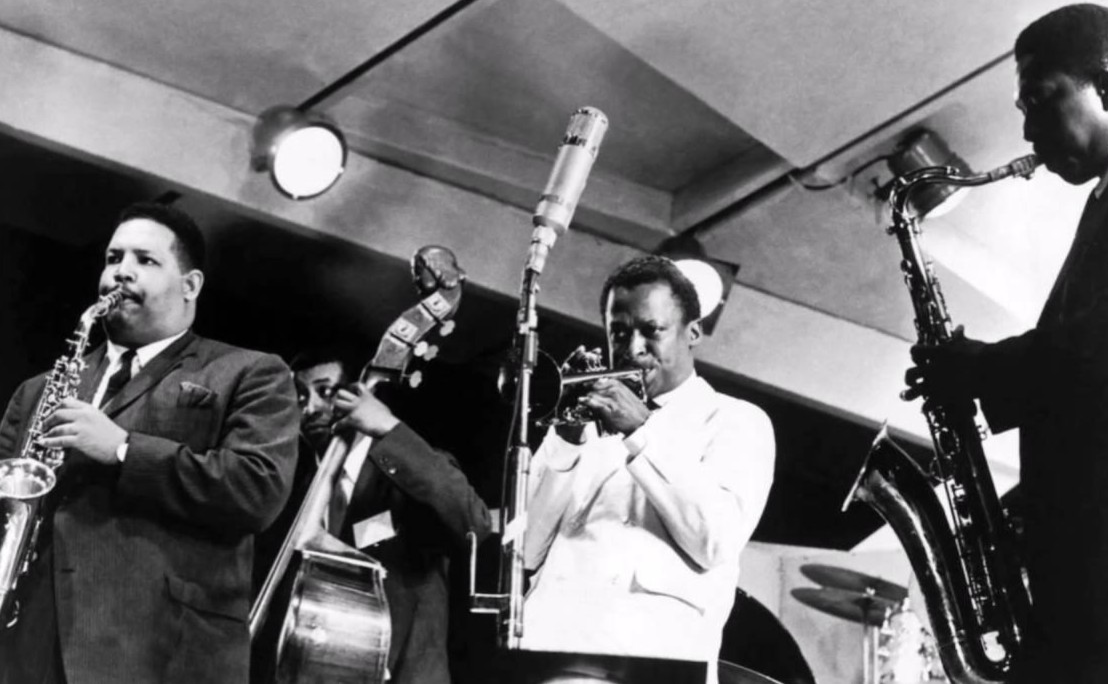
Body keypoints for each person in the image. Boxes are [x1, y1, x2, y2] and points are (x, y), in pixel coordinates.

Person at [903, 3, 1108, 683]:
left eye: (1040, 99)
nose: (1027, 129)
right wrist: (1032, 502)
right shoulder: (1106, 201)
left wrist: (979, 368)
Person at [0, 202, 300, 684]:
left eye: (146, 260)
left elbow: (256, 490)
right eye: (113, 258)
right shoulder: (36, 391)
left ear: (191, 285)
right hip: (26, 644)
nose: (121, 272)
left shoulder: (251, 372)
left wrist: (123, 449)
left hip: (161, 653)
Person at [520, 256, 776, 684]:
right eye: (619, 333)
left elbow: (715, 540)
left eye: (652, 330)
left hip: (650, 661)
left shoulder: (737, 420)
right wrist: (565, 437)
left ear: (692, 332)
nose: (633, 348)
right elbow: (525, 551)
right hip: (547, 654)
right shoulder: (581, 424)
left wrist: (641, 430)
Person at [254, 347, 492, 684]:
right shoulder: (295, 495)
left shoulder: (407, 472)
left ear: (361, 395)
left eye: (326, 391)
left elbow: (474, 523)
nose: (310, 408)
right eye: (300, 396)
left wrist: (389, 428)